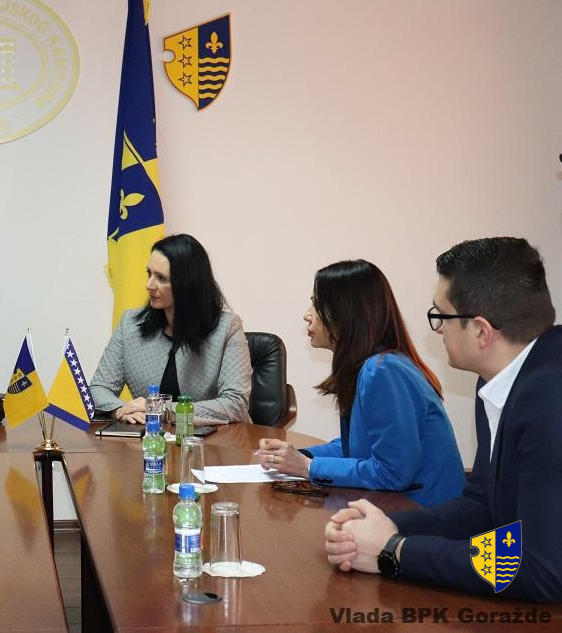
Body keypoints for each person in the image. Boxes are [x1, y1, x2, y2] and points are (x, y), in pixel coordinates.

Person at [324, 237, 562, 602]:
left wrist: (394, 551)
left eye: (441, 316)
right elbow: (482, 509)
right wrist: (386, 526)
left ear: (481, 331)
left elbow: (541, 570)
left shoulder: (550, 399)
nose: (437, 330)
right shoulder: (501, 381)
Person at [255, 260, 464, 507]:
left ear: (346, 313)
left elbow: (392, 473)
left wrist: (308, 467)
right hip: (399, 505)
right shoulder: (375, 364)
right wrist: (298, 456)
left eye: (317, 304)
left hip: (422, 514)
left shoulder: (383, 370)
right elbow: (358, 448)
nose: (307, 315)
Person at [89, 233, 252, 424]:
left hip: (215, 439)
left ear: (188, 284)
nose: (149, 285)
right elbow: (98, 389)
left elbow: (235, 405)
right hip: (151, 438)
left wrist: (159, 407)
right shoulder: (131, 324)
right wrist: (120, 410)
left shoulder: (227, 328)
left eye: (161, 278)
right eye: (149, 274)